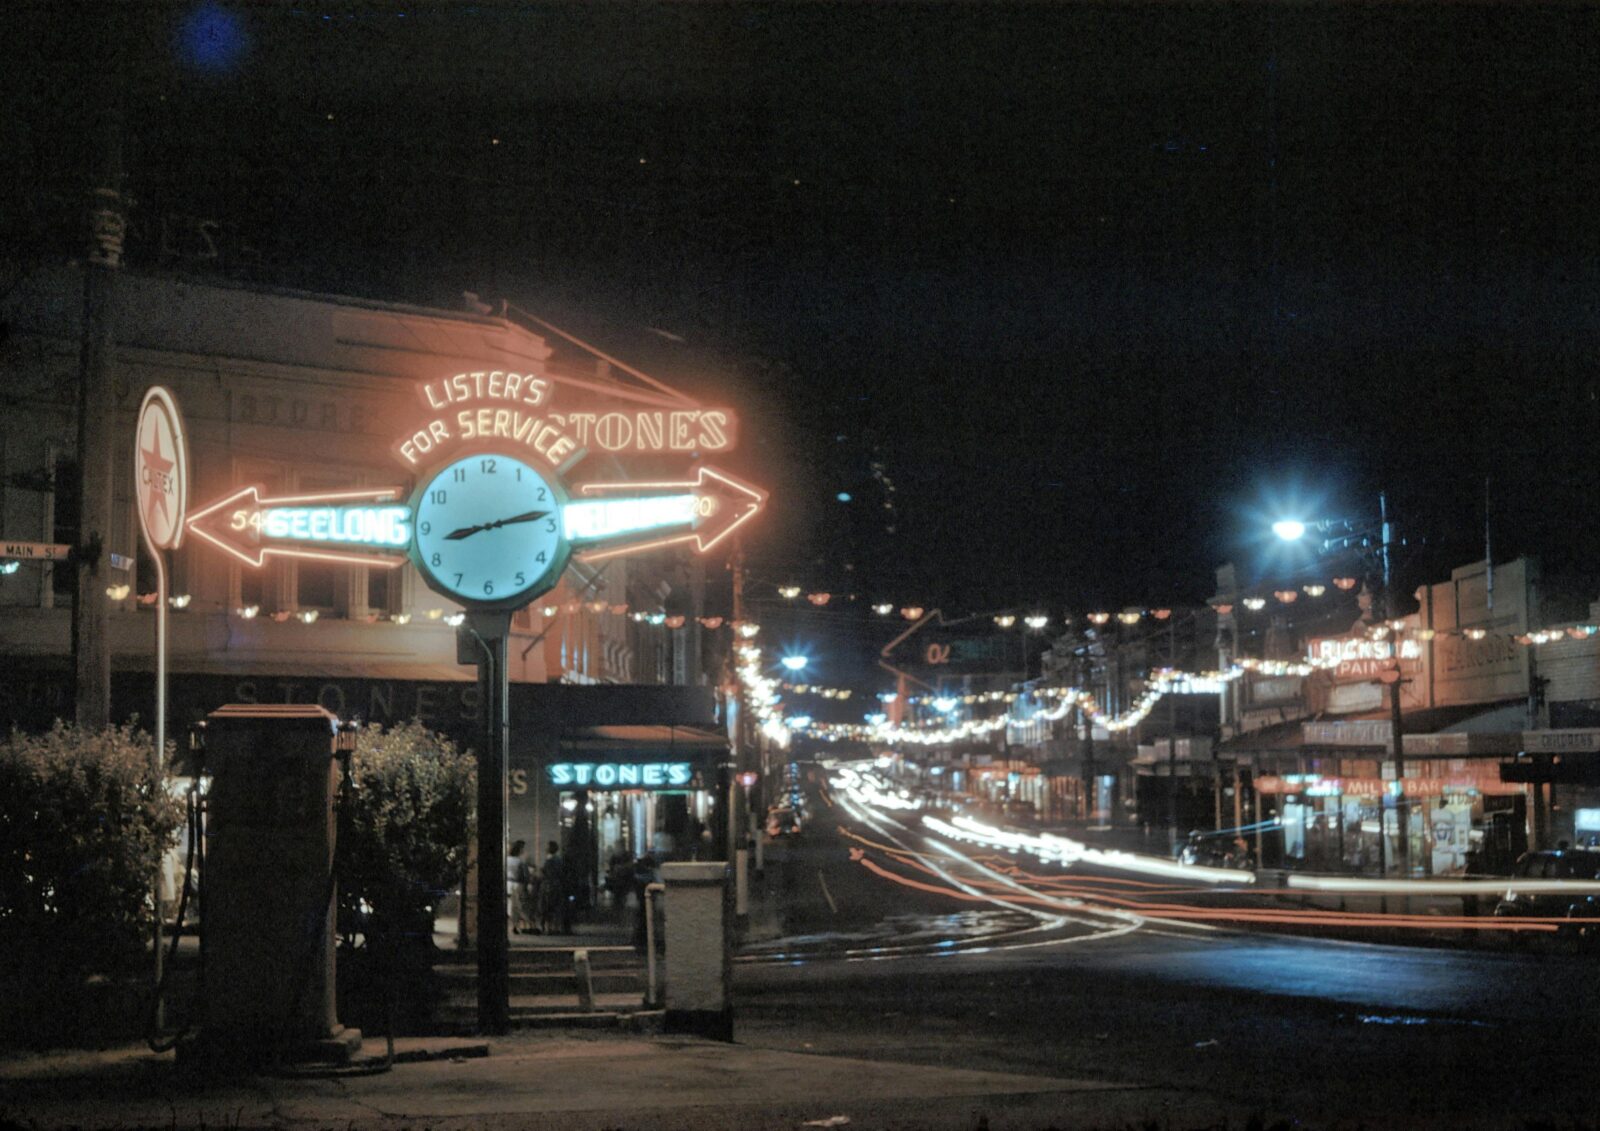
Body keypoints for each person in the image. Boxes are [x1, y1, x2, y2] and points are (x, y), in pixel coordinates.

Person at [540, 840, 573, 935]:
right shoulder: (559, 860)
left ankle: (549, 928)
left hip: (549, 885)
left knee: (548, 907)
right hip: (558, 885)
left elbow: (546, 873)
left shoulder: (549, 860)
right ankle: (556, 927)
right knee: (557, 907)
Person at [507, 839, 533, 935]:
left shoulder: (507, 860)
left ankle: (515, 925)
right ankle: (529, 924)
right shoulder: (520, 862)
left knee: (512, 907)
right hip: (518, 884)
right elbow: (525, 875)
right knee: (520, 906)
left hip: (508, 884)